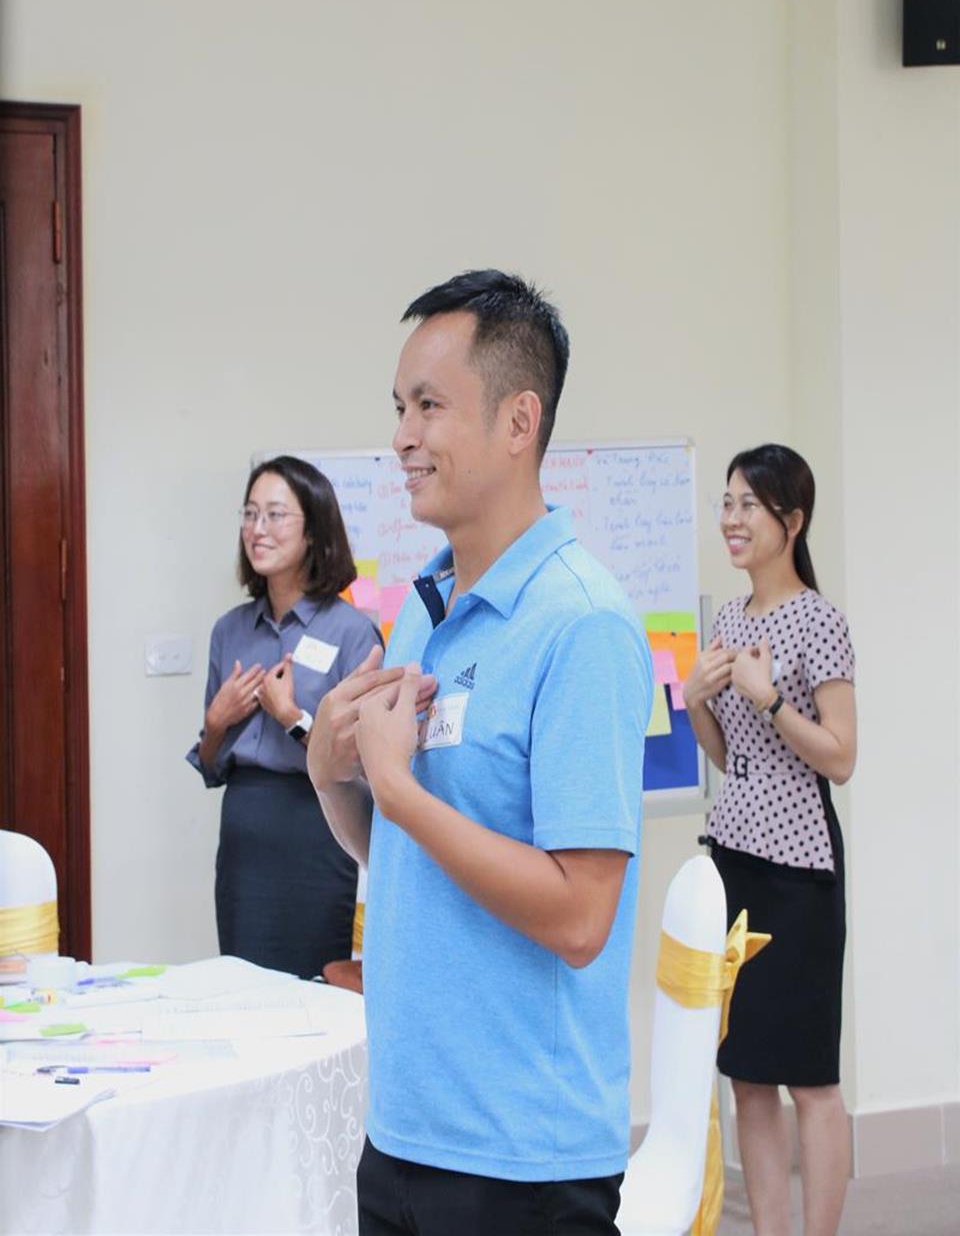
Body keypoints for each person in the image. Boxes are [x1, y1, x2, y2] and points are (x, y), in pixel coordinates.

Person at [307, 270, 653, 1236]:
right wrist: (332, 775)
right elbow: (405, 856)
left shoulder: (583, 626)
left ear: (518, 422)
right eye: (398, 408)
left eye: (429, 406)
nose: (402, 437)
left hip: (522, 1159)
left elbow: (581, 917)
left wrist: (397, 787)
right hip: (405, 1130)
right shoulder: (427, 609)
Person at [683, 444, 856, 1236]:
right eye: (727, 503)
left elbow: (841, 758)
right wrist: (697, 702)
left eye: (748, 504)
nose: (732, 518)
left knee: (809, 1078)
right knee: (747, 1072)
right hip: (735, 863)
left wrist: (771, 698)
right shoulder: (728, 618)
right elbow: (734, 760)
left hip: (800, 873)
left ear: (792, 520)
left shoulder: (820, 621)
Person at [186, 455, 380, 979]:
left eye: (274, 515)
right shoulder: (229, 630)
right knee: (243, 986)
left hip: (318, 827)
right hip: (245, 832)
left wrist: (292, 716)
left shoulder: (352, 633)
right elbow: (211, 767)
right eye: (250, 514)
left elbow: (361, 764)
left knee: (314, 987)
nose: (258, 529)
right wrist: (216, 723)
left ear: (313, 531)